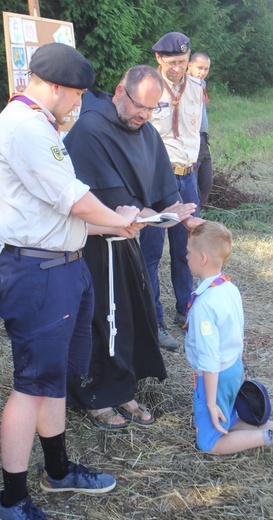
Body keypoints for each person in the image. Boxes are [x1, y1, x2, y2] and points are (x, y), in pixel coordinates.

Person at [0, 43, 141, 520]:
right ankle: (13, 499)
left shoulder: (42, 124)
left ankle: (57, 471)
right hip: (38, 271)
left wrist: (120, 222)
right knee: (31, 385)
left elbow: (66, 211)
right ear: (55, 87)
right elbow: (76, 200)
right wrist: (113, 219)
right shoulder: (23, 127)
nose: (79, 103)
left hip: (62, 264)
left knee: (53, 377)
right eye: (77, 95)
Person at [64, 65, 200, 429]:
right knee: (97, 320)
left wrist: (176, 212)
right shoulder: (91, 129)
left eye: (152, 109)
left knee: (125, 317)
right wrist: (137, 213)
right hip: (91, 244)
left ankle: (121, 388)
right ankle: (93, 395)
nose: (143, 115)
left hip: (126, 242)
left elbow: (159, 187)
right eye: (139, 106)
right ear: (119, 92)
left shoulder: (144, 130)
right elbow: (96, 196)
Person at [184, 221, 273, 467]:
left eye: (187, 252)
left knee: (210, 442)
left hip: (216, 375)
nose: (184, 255)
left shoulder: (205, 305)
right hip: (232, 368)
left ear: (202, 258)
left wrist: (210, 401)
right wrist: (238, 368)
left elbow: (209, 358)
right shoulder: (228, 288)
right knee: (228, 418)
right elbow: (236, 331)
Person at [140, 32, 204, 351]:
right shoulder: (147, 88)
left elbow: (197, 134)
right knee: (151, 254)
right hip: (156, 181)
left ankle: (186, 311)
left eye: (183, 61)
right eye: (172, 62)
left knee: (185, 250)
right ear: (159, 59)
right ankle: (156, 321)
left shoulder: (197, 87)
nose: (178, 68)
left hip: (187, 177)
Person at [187, 52, 213, 208]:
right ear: (190, 65)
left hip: (203, 138)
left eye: (206, 69)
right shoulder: (183, 84)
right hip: (191, 138)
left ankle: (199, 213)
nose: (202, 72)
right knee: (192, 184)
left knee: (207, 181)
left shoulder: (202, 84)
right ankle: (191, 219)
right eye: (199, 68)